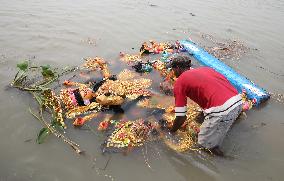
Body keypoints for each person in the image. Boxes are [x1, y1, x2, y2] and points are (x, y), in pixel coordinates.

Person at [168, 56, 243, 156]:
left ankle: (226, 161)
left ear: (177, 68)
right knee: (213, 121)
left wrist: (171, 131)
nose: (172, 72)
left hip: (223, 110)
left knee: (204, 145)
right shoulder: (205, 69)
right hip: (238, 101)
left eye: (172, 69)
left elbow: (181, 116)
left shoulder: (180, 82)